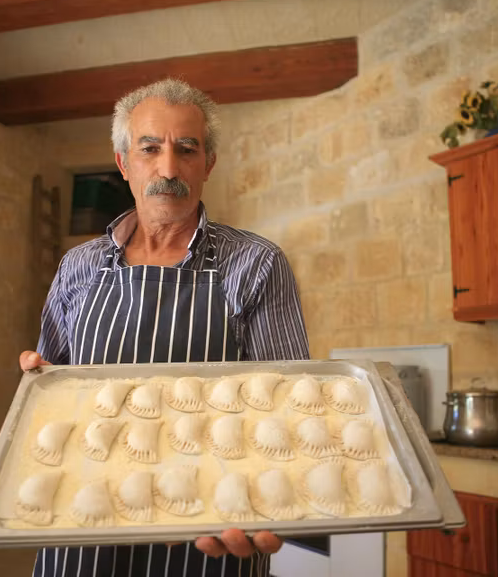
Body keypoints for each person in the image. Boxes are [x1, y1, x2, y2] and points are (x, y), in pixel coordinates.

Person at [19, 78, 309, 577]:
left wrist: (269, 499)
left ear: (208, 164)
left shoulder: (256, 264)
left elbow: (287, 407)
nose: (168, 169)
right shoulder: (78, 266)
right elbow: (52, 399)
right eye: (150, 148)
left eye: (187, 150)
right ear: (124, 163)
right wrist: (37, 380)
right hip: (84, 526)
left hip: (210, 527)